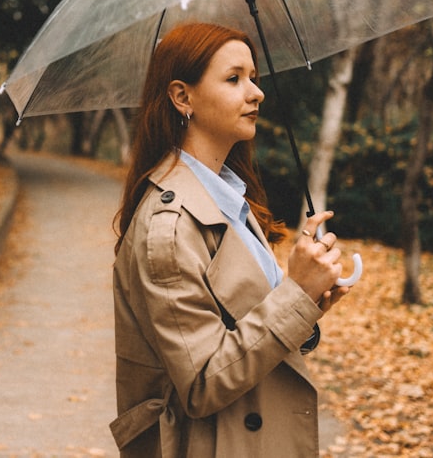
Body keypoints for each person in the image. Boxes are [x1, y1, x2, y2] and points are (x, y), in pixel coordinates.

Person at [111, 22, 351, 457]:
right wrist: (295, 294)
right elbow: (202, 382)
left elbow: (243, 324)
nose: (256, 92)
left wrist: (310, 299)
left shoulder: (226, 197)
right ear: (182, 97)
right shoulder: (168, 227)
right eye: (234, 78)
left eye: (254, 78)